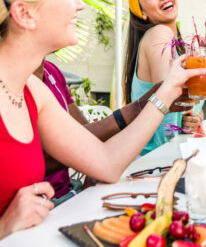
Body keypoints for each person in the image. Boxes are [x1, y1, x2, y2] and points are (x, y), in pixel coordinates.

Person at [0, 0, 206, 239]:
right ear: (24, 13)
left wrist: (165, 92)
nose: (80, 4)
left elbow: (107, 163)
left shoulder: (32, 91)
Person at [35, 59, 171, 205]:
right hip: (41, 206)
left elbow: (85, 136)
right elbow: (41, 157)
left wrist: (93, 164)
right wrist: (145, 105)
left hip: (69, 194)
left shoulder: (51, 72)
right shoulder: (16, 83)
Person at [123, 0, 204, 155]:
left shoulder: (179, 47)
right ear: (142, 13)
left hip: (170, 156)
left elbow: (183, 107)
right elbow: (167, 93)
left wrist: (194, 118)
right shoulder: (159, 33)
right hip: (153, 161)